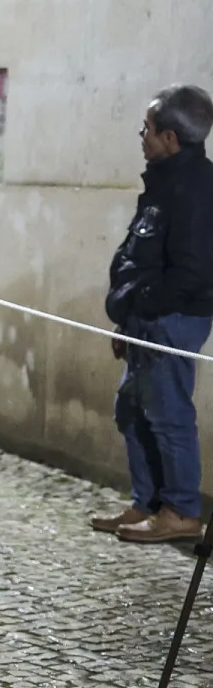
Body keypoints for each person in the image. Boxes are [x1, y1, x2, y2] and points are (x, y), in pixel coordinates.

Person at [92, 85, 213, 544]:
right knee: (133, 410)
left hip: (171, 321)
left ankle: (181, 510)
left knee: (168, 414)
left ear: (171, 139)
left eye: (148, 128)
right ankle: (147, 502)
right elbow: (142, 252)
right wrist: (128, 320)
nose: (141, 135)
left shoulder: (196, 190)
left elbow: (193, 273)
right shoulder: (165, 180)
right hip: (145, 320)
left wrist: (144, 309)